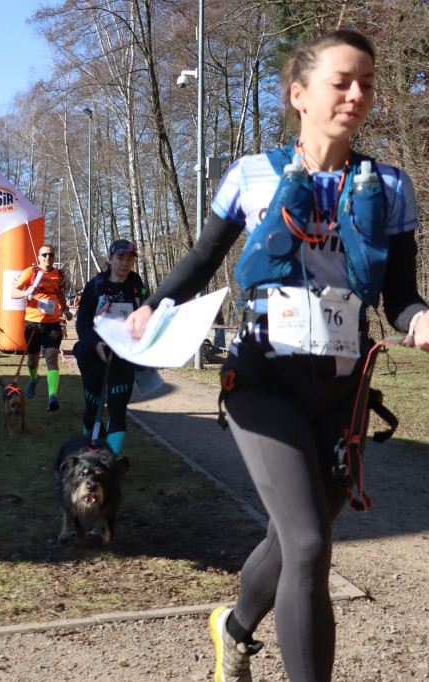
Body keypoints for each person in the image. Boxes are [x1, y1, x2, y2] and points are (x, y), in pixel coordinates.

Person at [124, 30, 428, 682]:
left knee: (296, 537)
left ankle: (232, 629)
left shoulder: (393, 187)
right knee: (312, 544)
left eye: (368, 84)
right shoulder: (252, 174)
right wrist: (153, 304)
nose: (357, 95)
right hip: (262, 379)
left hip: (341, 392)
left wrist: (422, 317)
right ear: (299, 95)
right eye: (341, 82)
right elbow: (203, 259)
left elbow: (400, 295)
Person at [73, 240, 147, 455]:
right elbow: (82, 323)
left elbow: (146, 320)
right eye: (120, 258)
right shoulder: (96, 285)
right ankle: (93, 447)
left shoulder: (137, 288)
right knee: (93, 409)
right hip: (94, 355)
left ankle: (110, 460)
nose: (125, 263)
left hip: (123, 357)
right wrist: (95, 344)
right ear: (110, 260)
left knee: (117, 410)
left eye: (130, 259)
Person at [9, 244, 73, 411]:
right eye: (44, 254)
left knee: (52, 358)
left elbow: (60, 294)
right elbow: (13, 292)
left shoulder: (59, 275)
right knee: (32, 361)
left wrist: (65, 310)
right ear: (39, 257)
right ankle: (33, 378)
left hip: (52, 324)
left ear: (54, 257)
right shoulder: (31, 272)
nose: (48, 258)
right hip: (33, 324)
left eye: (51, 255)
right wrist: (26, 292)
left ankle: (52, 397)